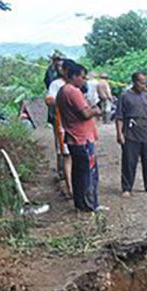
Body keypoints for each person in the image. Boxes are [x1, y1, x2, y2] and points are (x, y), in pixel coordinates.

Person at [56, 63, 103, 213]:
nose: (83, 80)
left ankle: (81, 204)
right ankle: (89, 206)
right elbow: (85, 114)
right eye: (82, 77)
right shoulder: (73, 92)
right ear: (74, 76)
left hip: (74, 138)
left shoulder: (62, 91)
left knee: (79, 174)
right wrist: (96, 110)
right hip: (81, 139)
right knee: (88, 175)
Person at [117, 71, 147, 197]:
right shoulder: (124, 96)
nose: (144, 85)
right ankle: (127, 188)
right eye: (141, 82)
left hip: (144, 132)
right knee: (129, 162)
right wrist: (119, 133)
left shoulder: (146, 97)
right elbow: (119, 117)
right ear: (134, 82)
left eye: (145, 82)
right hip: (130, 133)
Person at [46, 60, 74, 197]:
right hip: (62, 124)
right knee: (66, 154)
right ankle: (68, 186)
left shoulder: (76, 84)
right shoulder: (56, 84)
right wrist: (63, 101)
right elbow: (49, 99)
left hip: (76, 125)